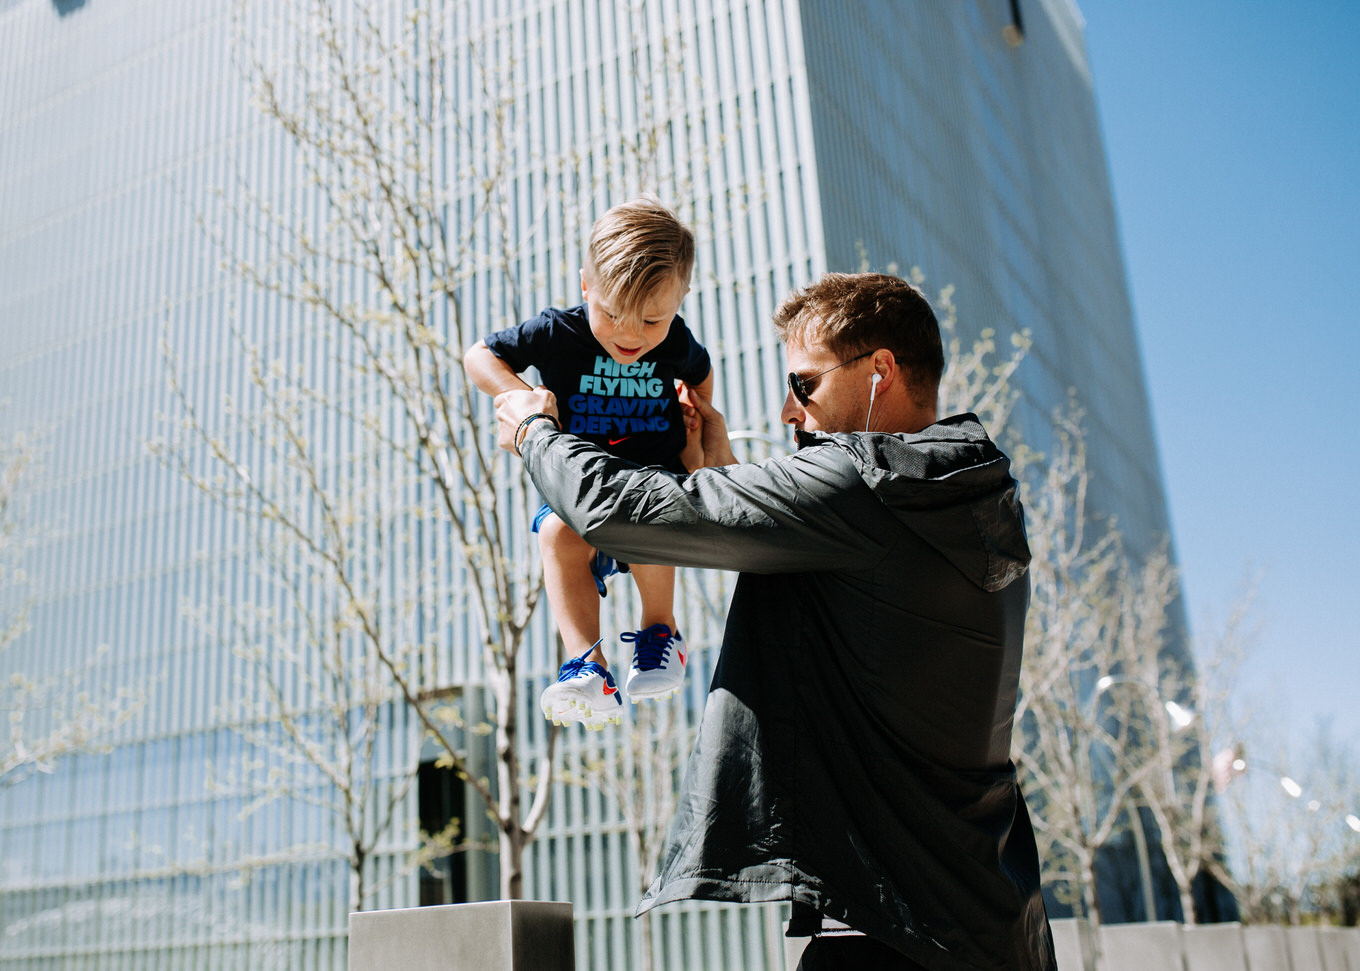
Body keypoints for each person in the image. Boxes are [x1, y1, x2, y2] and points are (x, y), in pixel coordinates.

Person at [495, 272, 1055, 969]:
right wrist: (721, 464)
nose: (790, 412)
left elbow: (622, 513)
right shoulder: (955, 494)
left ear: (881, 369)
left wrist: (534, 430)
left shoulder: (871, 486)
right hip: (991, 924)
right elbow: (828, 588)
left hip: (890, 928)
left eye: (805, 384)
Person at [465, 195, 714, 730]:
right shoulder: (559, 331)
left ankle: (659, 630)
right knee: (556, 534)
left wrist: (699, 416)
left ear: (680, 300)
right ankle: (586, 663)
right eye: (611, 314)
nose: (631, 336)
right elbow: (479, 355)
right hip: (579, 481)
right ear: (586, 287)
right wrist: (522, 396)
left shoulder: (678, 343)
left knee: (651, 520)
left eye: (652, 320)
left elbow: (701, 371)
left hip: (655, 474)